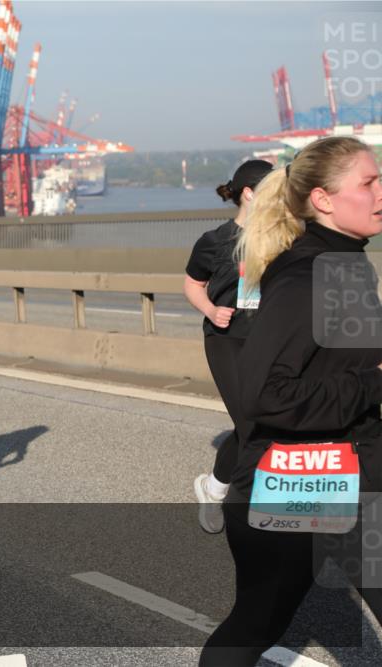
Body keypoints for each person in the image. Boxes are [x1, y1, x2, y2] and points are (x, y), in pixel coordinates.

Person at [200, 137, 382, 665]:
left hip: (341, 470)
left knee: (255, 623)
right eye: (367, 183)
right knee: (255, 623)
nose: (380, 192)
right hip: (303, 480)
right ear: (323, 200)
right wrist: (374, 384)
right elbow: (267, 394)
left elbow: (338, 363)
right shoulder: (308, 276)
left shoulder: (344, 264)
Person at [185, 160, 273, 533]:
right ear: (250, 193)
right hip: (226, 341)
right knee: (251, 423)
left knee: (264, 423)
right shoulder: (214, 241)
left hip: (268, 341)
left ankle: (214, 487)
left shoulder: (284, 237)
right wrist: (210, 308)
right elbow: (192, 284)